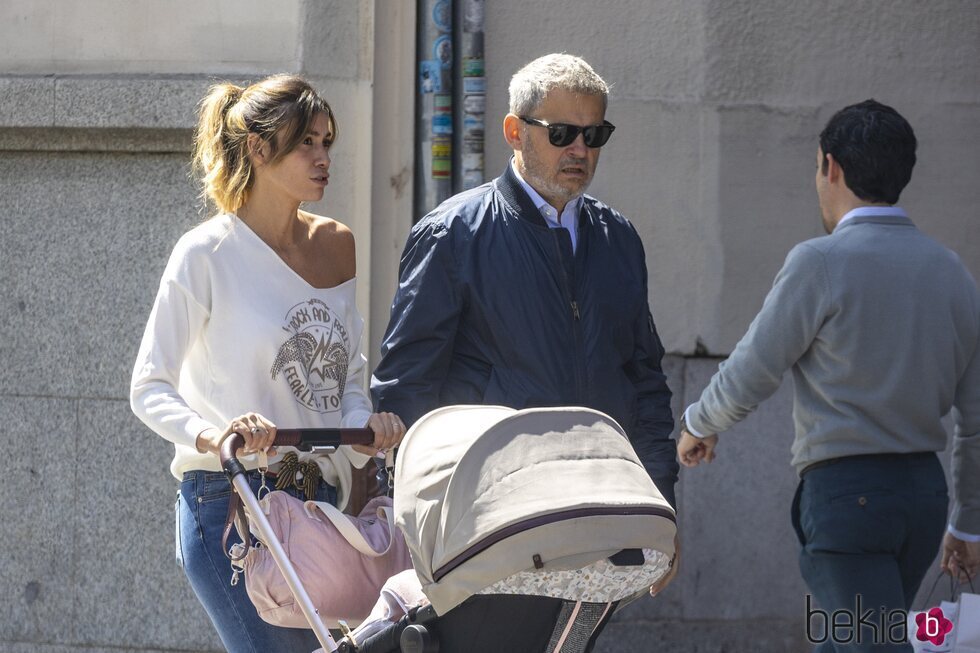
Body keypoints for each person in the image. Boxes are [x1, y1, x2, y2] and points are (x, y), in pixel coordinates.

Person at [678, 100, 980, 650]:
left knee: (865, 642)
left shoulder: (820, 261)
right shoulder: (952, 272)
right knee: (853, 639)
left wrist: (699, 422)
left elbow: (753, 366)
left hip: (847, 497)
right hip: (923, 497)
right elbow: (977, 418)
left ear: (831, 167)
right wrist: (968, 522)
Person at [130, 74, 405, 653]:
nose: (324, 156)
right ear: (258, 148)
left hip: (321, 508)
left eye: (328, 141)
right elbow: (149, 386)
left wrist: (367, 430)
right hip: (232, 503)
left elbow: (345, 378)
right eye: (307, 142)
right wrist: (214, 433)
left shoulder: (337, 246)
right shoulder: (206, 253)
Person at [371, 54, 677, 512]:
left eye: (594, 135)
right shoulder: (453, 233)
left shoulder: (619, 238)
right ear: (515, 132)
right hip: (494, 518)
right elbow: (405, 391)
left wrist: (659, 504)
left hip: (607, 508)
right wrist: (426, 520)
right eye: (561, 134)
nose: (580, 150)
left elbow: (645, 384)